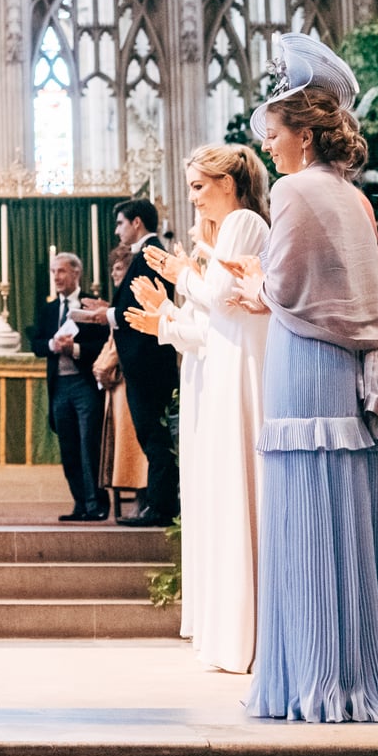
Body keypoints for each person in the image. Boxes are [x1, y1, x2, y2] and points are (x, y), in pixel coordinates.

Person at [236, 32, 378, 724]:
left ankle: (311, 675)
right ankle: (358, 669)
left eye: (276, 134)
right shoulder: (351, 194)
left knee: (306, 502)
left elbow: (283, 283)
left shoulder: (296, 189)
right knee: (347, 505)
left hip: (304, 360)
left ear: (303, 136)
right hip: (345, 363)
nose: (271, 147)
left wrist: (258, 287)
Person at [133, 144, 270, 674]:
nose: (192, 200)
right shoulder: (234, 225)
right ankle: (227, 631)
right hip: (224, 364)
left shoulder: (242, 221)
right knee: (221, 495)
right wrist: (167, 316)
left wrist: (181, 273)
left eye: (198, 186)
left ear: (229, 184)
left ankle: (244, 633)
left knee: (238, 488)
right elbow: (210, 320)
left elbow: (216, 298)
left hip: (241, 368)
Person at [108, 197, 178, 526]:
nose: (117, 230)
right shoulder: (147, 253)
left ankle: (161, 506)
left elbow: (145, 306)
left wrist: (105, 314)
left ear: (137, 222)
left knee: (155, 436)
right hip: (146, 363)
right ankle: (158, 503)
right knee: (152, 437)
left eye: (121, 223)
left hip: (148, 364)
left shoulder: (151, 254)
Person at [30, 252, 112, 521]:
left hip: (85, 384)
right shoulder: (49, 309)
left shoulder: (90, 306)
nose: (57, 277)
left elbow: (103, 345)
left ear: (76, 273)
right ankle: (80, 504)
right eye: (54, 272)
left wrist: (74, 348)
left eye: (62, 271)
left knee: (89, 446)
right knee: (69, 447)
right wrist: (53, 345)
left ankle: (97, 504)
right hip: (59, 387)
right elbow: (37, 343)